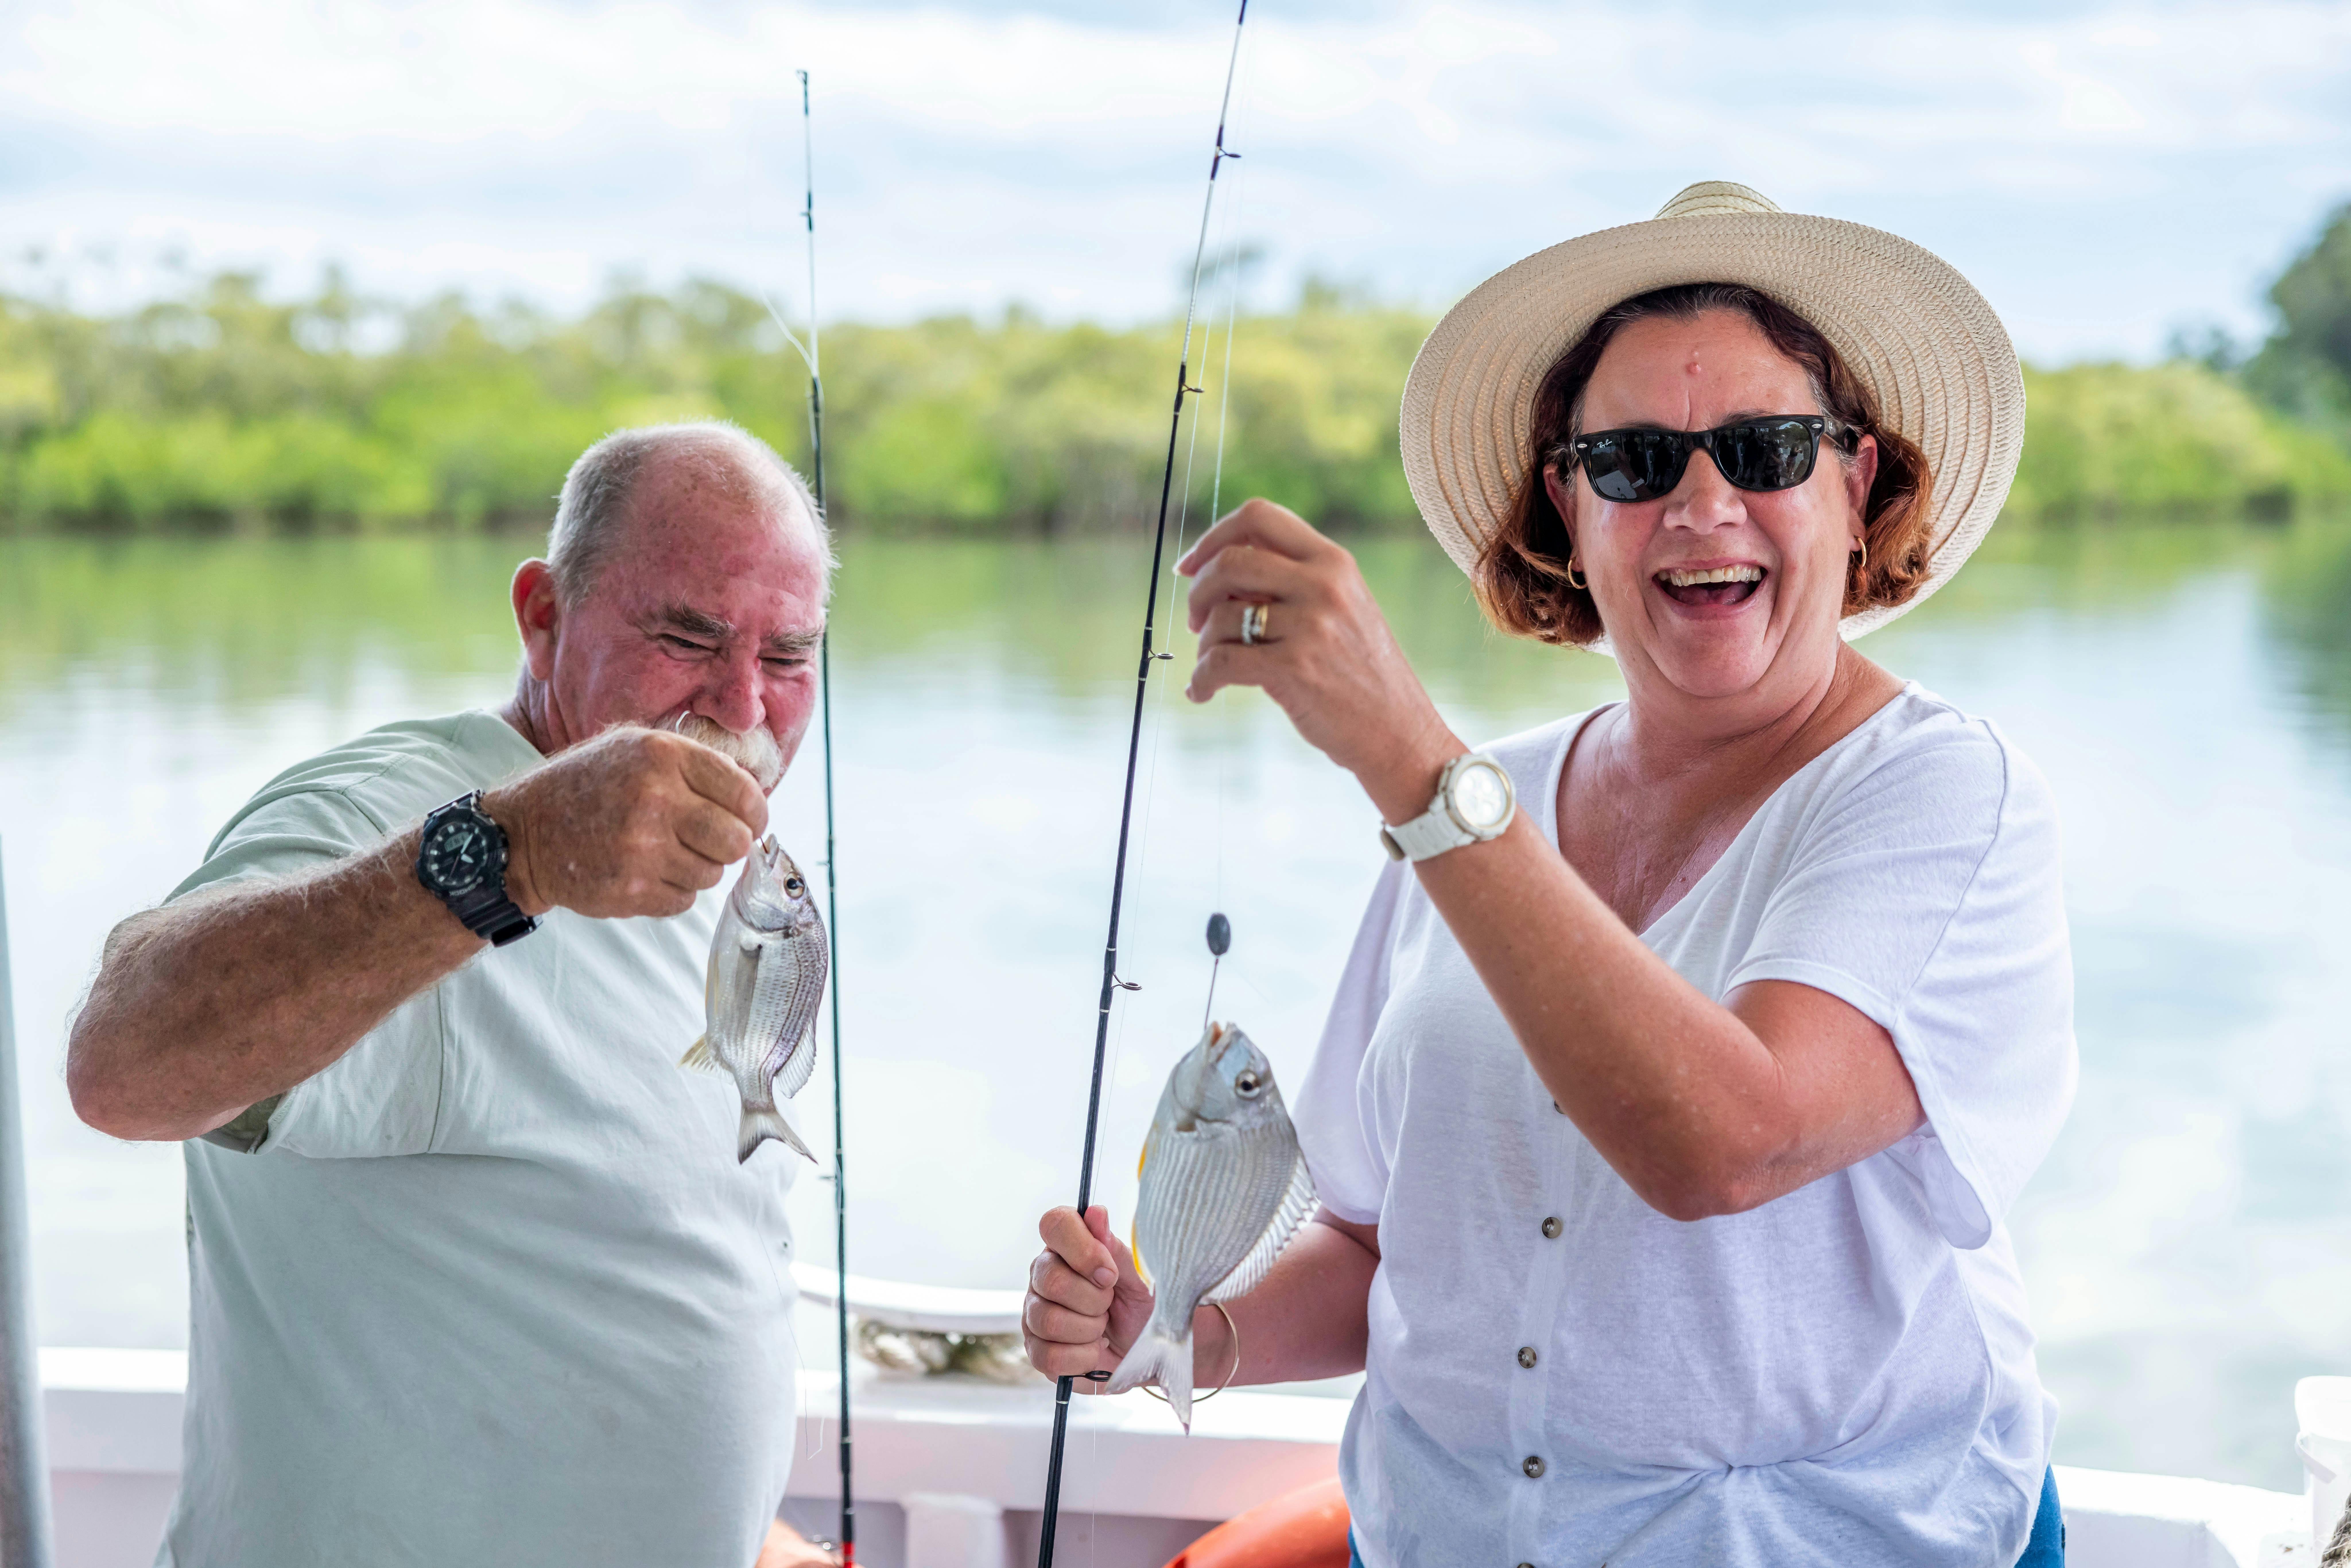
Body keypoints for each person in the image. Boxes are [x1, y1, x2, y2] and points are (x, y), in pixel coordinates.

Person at [1023, 183, 2076, 1567]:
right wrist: (1167, 1331)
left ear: (1855, 483)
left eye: (1764, 449)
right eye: (1635, 461)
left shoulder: (1941, 792)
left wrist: (1409, 762)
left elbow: (1723, 1140)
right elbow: (1377, 1241)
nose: (1705, 502)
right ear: (1565, 508)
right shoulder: (1484, 803)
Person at [69, 421, 842, 1568]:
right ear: (542, 617)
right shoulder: (390, 810)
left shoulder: (692, 855)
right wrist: (514, 851)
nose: (743, 698)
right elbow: (122, 1063)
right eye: (687, 635)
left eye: (787, 657)